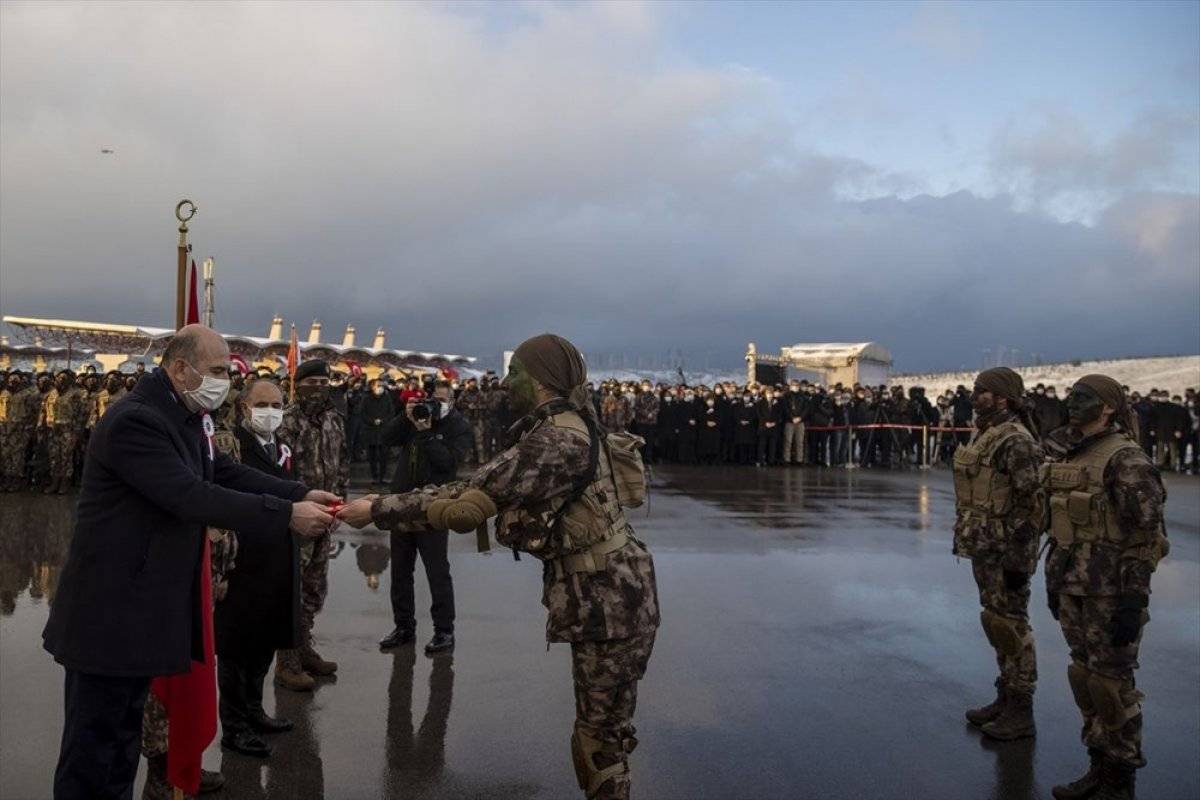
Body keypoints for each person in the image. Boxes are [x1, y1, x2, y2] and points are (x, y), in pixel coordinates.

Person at [338, 334, 658, 800]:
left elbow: (466, 500)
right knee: (602, 732)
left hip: (609, 605)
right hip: (612, 597)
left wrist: (378, 508)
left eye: (515, 373)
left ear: (542, 381)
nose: (507, 382)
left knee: (600, 742)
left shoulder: (555, 441)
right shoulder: (571, 424)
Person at [42, 325, 338, 800]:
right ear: (181, 368)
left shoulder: (180, 415)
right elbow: (189, 495)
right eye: (218, 370)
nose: (225, 380)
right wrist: (285, 516)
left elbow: (222, 470)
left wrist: (297, 491)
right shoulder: (135, 421)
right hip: (108, 619)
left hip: (139, 616)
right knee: (93, 756)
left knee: (119, 750)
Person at [1044, 375, 1168, 800]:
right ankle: (1098, 765)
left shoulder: (1126, 460)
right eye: (1072, 395)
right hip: (1074, 587)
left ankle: (1120, 778)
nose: (1072, 402)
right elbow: (1060, 525)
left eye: (1084, 398)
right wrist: (1053, 579)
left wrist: (1135, 599)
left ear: (1109, 407)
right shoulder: (1070, 452)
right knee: (1086, 677)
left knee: (1113, 684)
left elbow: (1146, 537)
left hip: (1111, 593)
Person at [953, 367, 1045, 741]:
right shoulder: (989, 435)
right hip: (985, 545)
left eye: (982, 391)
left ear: (1002, 398)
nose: (974, 397)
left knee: (1012, 627)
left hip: (1006, 552)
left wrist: (1019, 563)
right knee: (996, 623)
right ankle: (1005, 696)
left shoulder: (1016, 440)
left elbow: (1031, 505)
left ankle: (1021, 710)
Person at [378, 380, 472, 653]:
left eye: (442, 401)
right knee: (400, 571)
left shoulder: (459, 427)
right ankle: (403, 626)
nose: (436, 405)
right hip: (402, 503)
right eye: (433, 399)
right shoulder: (415, 418)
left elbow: (449, 463)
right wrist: (405, 417)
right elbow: (386, 438)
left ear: (452, 402)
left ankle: (444, 631)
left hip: (434, 507)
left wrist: (427, 434)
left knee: (437, 571)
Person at [275, 360, 350, 691]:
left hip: (326, 514)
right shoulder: (287, 422)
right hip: (298, 516)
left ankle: (304, 647)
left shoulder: (334, 420)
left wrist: (340, 502)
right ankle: (287, 661)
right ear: (298, 385)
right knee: (292, 587)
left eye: (324, 382)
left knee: (315, 588)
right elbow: (279, 471)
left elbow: (341, 460)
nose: (319, 388)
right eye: (312, 382)